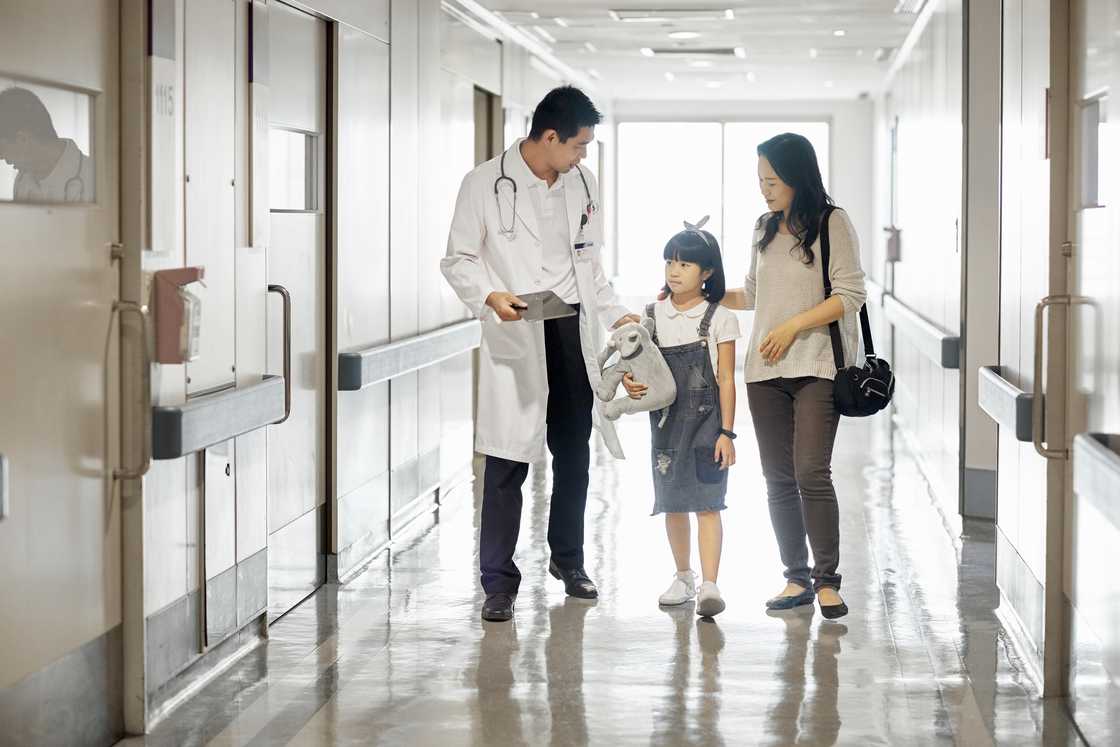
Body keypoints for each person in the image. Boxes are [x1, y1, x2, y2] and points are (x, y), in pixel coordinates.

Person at [441, 86, 637, 623]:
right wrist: (487, 293)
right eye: (578, 146)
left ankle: (569, 561)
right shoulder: (484, 183)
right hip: (518, 327)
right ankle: (498, 583)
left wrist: (617, 313)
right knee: (506, 461)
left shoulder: (582, 184)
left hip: (571, 328)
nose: (583, 157)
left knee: (573, 454)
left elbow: (591, 266)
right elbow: (457, 258)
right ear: (549, 137)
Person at [721, 132, 866, 620]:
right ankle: (795, 578)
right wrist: (706, 291)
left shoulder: (831, 222)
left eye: (773, 180)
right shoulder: (764, 225)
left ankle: (828, 581)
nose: (765, 189)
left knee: (810, 472)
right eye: (760, 180)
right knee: (778, 478)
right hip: (764, 371)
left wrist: (793, 325)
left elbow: (849, 294)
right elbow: (753, 294)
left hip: (817, 367)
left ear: (798, 177)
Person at [632, 219, 740, 618]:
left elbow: (727, 378)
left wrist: (728, 433)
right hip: (665, 426)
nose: (674, 271)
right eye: (669, 263)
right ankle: (683, 576)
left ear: (707, 272)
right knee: (673, 502)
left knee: (709, 504)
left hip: (708, 428)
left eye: (685, 265)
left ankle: (710, 585)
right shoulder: (651, 315)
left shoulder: (719, 317)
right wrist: (632, 382)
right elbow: (640, 368)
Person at [0, 86, 94, 203]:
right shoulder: (21, 180)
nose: (4, 159)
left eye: (2, 149)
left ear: (23, 139)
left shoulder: (95, 180)